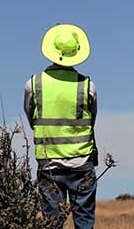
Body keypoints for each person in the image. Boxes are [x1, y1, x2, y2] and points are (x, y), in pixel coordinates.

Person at [24, 23, 98, 229]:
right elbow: (91, 123)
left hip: (49, 165)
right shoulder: (87, 86)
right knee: (84, 224)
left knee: (52, 224)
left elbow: (32, 119)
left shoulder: (33, 85)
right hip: (82, 164)